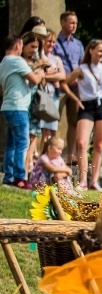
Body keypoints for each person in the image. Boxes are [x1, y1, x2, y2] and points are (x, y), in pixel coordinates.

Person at [60, 39, 102, 191]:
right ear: (91, 51)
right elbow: (64, 83)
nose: (101, 54)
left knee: (99, 145)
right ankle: (83, 180)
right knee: (81, 143)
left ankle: (94, 181)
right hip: (86, 106)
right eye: (99, 50)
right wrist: (75, 98)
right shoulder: (82, 69)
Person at [0, 34, 47, 188]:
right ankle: (20, 177)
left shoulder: (3, 62)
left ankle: (8, 176)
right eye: (21, 46)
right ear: (17, 46)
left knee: (11, 144)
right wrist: (41, 72)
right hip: (18, 107)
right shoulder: (17, 60)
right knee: (22, 143)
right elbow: (34, 79)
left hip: (7, 107)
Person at [53, 11, 84, 166]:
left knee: (74, 122)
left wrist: (77, 77)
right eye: (71, 22)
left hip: (75, 87)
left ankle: (70, 155)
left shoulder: (78, 44)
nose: (74, 26)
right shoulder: (55, 42)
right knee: (53, 119)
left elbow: (82, 63)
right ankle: (52, 153)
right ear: (63, 22)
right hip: (58, 86)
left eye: (76, 23)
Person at [38, 30, 66, 146]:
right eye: (49, 41)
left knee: (52, 127)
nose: (51, 44)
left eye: (54, 42)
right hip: (41, 94)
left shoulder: (56, 59)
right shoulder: (39, 57)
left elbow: (62, 75)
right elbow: (39, 75)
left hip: (53, 95)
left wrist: (47, 75)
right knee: (41, 127)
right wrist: (53, 76)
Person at [22, 31, 44, 175]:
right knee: (23, 137)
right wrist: (36, 67)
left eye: (36, 47)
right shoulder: (19, 61)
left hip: (35, 103)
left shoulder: (37, 62)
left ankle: (29, 167)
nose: (34, 50)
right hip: (23, 101)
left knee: (33, 136)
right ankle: (24, 168)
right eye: (31, 46)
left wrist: (42, 70)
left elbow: (42, 81)